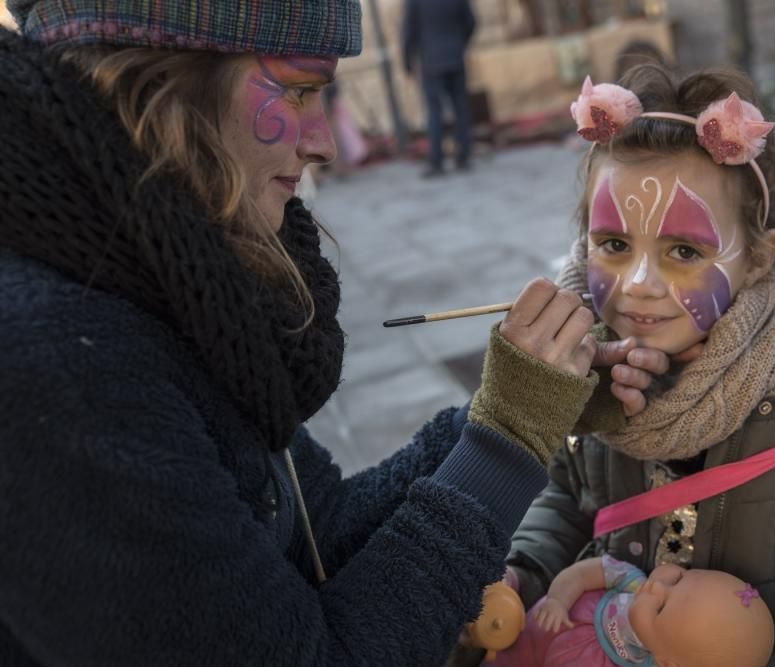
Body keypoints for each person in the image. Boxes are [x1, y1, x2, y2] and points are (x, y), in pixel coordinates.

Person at [0, 3, 667, 665]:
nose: (321, 141)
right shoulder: (56, 364)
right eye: (295, 90)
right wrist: (506, 441)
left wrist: (518, 411)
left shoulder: (171, 273)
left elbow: (319, 531)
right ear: (163, 88)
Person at [502, 66, 775, 665]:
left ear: (761, 258)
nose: (638, 286)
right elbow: (567, 497)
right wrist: (524, 577)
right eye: (614, 245)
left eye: (684, 251)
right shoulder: (589, 369)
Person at [489, 556, 774, 666]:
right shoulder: (631, 582)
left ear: (667, 662)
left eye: (660, 608)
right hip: (529, 630)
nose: (657, 587)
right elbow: (582, 573)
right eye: (679, 577)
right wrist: (557, 600)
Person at [402, 0, 477, 177]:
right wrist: (459, 43)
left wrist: (407, 61)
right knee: (461, 108)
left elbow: (408, 30)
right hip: (455, 57)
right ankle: (463, 156)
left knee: (434, 111)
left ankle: (437, 161)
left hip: (431, 60)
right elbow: (471, 22)